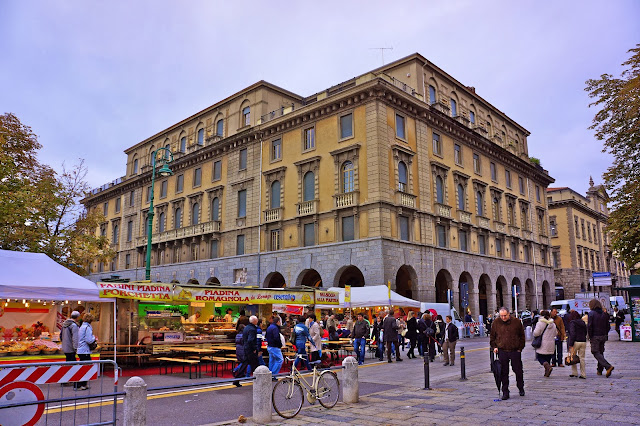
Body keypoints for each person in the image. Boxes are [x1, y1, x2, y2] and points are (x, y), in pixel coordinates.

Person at [490, 307, 525, 400]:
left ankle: (520, 387)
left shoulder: (516, 322)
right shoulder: (496, 323)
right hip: (502, 351)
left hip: (515, 350)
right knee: (503, 372)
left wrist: (520, 348)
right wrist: (494, 347)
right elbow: (492, 336)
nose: (503, 317)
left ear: (509, 314)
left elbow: (522, 335)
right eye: (501, 316)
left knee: (518, 370)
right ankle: (505, 391)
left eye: (505, 315)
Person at [587, 299, 615, 377]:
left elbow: (590, 326)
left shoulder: (591, 314)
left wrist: (590, 336)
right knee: (600, 352)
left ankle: (608, 366)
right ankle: (599, 370)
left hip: (595, 336)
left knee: (595, 351)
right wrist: (605, 334)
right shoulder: (604, 314)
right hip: (603, 336)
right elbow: (608, 326)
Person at [533, 310, 557, 378]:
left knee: (539, 357)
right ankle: (547, 372)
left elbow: (536, 333)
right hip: (551, 344)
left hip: (542, 344)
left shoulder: (540, 323)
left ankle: (546, 366)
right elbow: (556, 333)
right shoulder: (553, 324)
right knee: (548, 358)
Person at [76, 313, 96, 390]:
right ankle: (80, 384)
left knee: (83, 367)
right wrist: (94, 338)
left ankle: (83, 383)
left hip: (81, 349)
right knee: (85, 368)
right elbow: (89, 339)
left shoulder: (82, 327)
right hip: (85, 350)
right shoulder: (87, 327)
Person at [566, 310, 587, 379]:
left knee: (573, 356)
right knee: (582, 358)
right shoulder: (582, 322)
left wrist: (570, 344)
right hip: (583, 341)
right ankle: (583, 374)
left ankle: (574, 373)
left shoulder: (572, 323)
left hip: (575, 341)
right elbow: (586, 331)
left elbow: (572, 333)